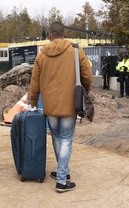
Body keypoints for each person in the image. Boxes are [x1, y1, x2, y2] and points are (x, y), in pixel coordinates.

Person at [29, 22, 93, 192]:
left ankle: (62, 172)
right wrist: (86, 90)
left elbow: (34, 82)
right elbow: (87, 74)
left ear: (49, 35)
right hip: (69, 103)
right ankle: (62, 180)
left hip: (49, 105)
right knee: (66, 139)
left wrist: (33, 101)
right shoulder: (75, 50)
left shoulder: (41, 56)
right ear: (64, 34)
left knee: (57, 138)